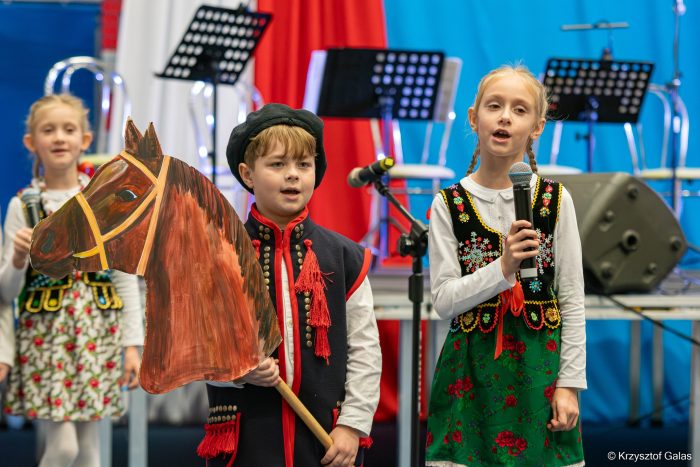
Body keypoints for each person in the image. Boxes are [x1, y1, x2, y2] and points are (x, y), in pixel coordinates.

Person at [197, 103, 381, 467]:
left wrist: (352, 425)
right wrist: (238, 372)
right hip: (247, 439)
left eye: (303, 164)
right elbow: (198, 347)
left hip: (326, 438)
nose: (292, 175)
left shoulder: (344, 257)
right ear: (248, 174)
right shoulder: (220, 256)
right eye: (277, 165)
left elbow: (364, 349)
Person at [425, 65, 586, 466]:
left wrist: (569, 385)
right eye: (494, 106)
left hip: (539, 372)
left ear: (537, 126)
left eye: (519, 109)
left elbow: (572, 299)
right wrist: (503, 267)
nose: (505, 117)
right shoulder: (449, 204)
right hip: (470, 374)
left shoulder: (554, 200)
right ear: (474, 118)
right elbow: (444, 301)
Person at [0, 94, 144, 467]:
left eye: (68, 130)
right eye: (49, 130)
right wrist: (18, 258)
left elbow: (123, 275)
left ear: (85, 140)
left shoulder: (102, 199)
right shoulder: (23, 205)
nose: (59, 138)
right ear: (32, 142)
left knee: (90, 451)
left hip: (98, 333)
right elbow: (7, 291)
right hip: (47, 336)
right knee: (63, 448)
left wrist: (132, 343)